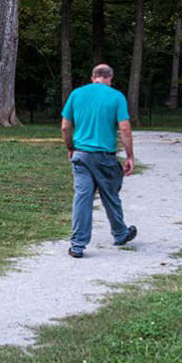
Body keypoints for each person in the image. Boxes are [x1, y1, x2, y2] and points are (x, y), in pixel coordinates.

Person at [60, 63, 136, 258]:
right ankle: (120, 233)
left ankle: (77, 245)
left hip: (81, 156)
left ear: (93, 77)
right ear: (110, 78)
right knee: (110, 194)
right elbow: (125, 128)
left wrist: (70, 147)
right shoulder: (117, 96)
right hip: (105, 157)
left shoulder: (76, 94)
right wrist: (129, 156)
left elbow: (65, 127)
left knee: (82, 198)